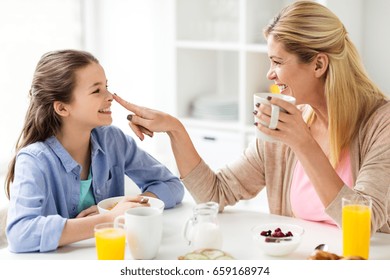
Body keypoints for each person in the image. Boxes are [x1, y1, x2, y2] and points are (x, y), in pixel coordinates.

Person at [112, 1, 390, 234]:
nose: (270, 73)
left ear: (318, 64)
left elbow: (364, 223)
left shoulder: (381, 124)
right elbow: (216, 194)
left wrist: (303, 143)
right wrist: (175, 130)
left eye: (278, 62)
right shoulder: (285, 126)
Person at [4, 49, 184, 253]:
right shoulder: (34, 160)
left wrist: (131, 209)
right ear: (62, 108)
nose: (110, 97)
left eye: (106, 87)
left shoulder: (112, 140)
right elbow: (20, 234)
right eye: (96, 91)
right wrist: (108, 218)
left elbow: (171, 185)